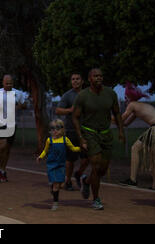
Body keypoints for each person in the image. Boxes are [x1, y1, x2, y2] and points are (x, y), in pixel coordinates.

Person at [72, 68, 125, 210]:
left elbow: (117, 113)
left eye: (101, 76)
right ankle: (96, 199)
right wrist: (81, 138)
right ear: (89, 79)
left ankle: (87, 181)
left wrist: (121, 131)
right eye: (95, 76)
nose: (99, 78)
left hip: (106, 134)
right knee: (95, 165)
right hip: (90, 133)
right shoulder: (83, 96)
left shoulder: (111, 94)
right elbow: (75, 117)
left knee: (102, 170)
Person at [119, 82, 155, 190]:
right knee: (154, 157)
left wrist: (107, 117)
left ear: (129, 97)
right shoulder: (139, 106)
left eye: (125, 97)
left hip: (154, 129)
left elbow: (121, 119)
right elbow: (125, 124)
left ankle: (132, 180)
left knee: (135, 148)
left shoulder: (132, 105)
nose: (125, 100)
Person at [0, 74, 28, 183]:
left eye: (10, 83)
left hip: (12, 124)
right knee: (2, 146)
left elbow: (25, 105)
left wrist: (18, 106)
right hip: (0, 122)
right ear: (3, 83)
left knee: (8, 148)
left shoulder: (17, 93)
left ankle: (3, 170)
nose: (9, 85)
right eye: (7, 83)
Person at [37, 119, 81, 210]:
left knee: (61, 184)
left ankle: (53, 189)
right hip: (51, 165)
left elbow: (73, 148)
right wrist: (40, 157)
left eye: (58, 128)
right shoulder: (49, 140)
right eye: (52, 128)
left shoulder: (65, 139)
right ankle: (55, 203)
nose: (55, 130)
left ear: (62, 129)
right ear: (50, 130)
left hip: (61, 165)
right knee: (56, 184)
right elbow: (45, 150)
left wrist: (81, 148)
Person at [55, 73, 89, 190]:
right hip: (71, 131)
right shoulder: (68, 95)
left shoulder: (87, 94)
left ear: (82, 81)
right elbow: (58, 110)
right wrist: (70, 110)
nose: (75, 81)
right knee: (70, 159)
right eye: (73, 79)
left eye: (78, 79)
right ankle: (68, 181)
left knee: (86, 158)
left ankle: (78, 174)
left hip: (86, 131)